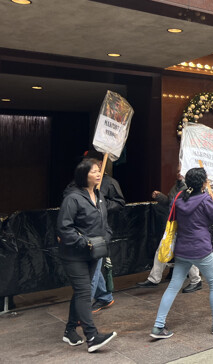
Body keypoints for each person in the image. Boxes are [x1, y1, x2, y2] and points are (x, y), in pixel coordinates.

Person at [151, 167, 213, 338]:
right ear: (204, 183)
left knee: (174, 285)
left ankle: (158, 326)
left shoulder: (179, 198)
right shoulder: (205, 200)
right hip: (201, 248)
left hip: (182, 248)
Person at [56, 159, 117, 353]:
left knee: (81, 292)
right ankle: (92, 336)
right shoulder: (72, 198)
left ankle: (69, 330)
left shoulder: (99, 196)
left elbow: (104, 223)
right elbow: (64, 228)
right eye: (94, 171)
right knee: (84, 292)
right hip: (74, 255)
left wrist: (105, 238)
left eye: (99, 171)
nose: (99, 174)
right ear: (84, 175)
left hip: (95, 253)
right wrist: (86, 242)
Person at [137, 171, 202, 293]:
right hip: (174, 224)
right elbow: (171, 203)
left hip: (183, 225)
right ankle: (154, 278)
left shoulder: (188, 188)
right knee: (163, 249)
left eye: (181, 170)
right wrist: (161, 197)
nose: (178, 173)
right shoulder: (176, 186)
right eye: (177, 170)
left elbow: (182, 205)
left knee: (186, 253)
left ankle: (196, 280)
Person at [83, 150, 125, 313]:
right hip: (84, 230)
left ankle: (83, 310)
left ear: (100, 165)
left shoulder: (110, 182)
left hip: (100, 230)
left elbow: (120, 202)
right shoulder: (80, 182)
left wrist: (102, 205)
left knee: (92, 269)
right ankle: (105, 297)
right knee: (93, 266)